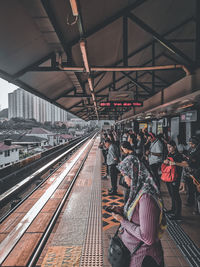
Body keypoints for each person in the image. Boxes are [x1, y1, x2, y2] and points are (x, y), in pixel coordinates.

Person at [113, 155, 165, 267]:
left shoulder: (146, 198)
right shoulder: (138, 191)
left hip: (144, 259)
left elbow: (148, 238)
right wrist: (122, 211)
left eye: (125, 176)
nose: (124, 180)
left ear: (133, 174)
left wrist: (122, 220)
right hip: (134, 254)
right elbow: (137, 212)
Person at [163, 140, 186, 220]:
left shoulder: (178, 155)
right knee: (172, 194)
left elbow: (185, 164)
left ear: (174, 147)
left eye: (170, 147)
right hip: (169, 177)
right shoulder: (169, 154)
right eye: (167, 147)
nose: (169, 149)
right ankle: (173, 210)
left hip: (176, 177)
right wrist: (165, 162)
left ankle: (178, 214)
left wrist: (175, 163)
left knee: (176, 195)